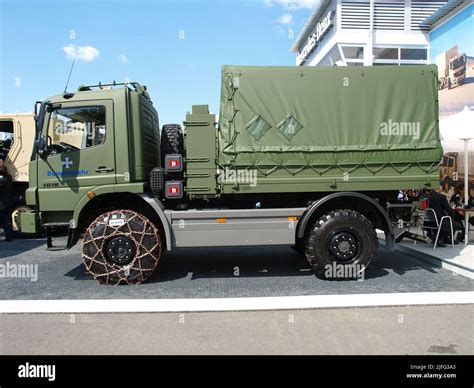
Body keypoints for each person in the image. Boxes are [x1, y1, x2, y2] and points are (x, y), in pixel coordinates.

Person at [0, 159, 13, 242]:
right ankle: (9, 237)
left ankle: (7, 236)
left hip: (1, 204)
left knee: (3, 221)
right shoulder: (9, 177)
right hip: (8, 202)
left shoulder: (1, 180)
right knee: (8, 221)